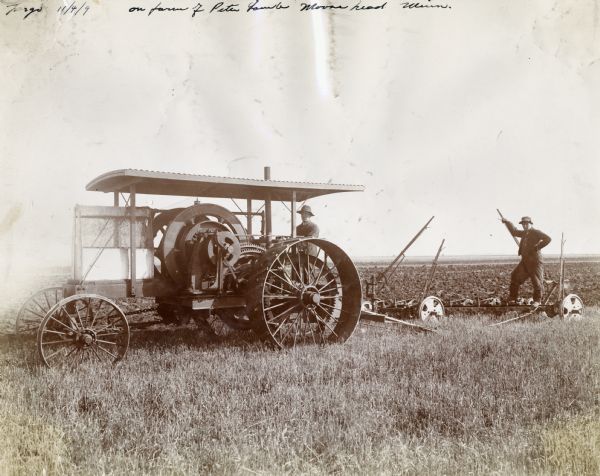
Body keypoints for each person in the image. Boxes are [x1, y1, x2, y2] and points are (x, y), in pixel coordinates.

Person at [501, 215, 551, 307]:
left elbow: (548, 239)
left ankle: (537, 300)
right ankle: (512, 298)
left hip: (535, 261)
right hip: (525, 261)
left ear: (530, 223)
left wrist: (537, 247)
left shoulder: (536, 232)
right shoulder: (524, 233)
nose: (524, 226)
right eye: (523, 224)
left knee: (537, 281)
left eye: (526, 224)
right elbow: (514, 232)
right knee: (515, 276)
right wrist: (507, 222)